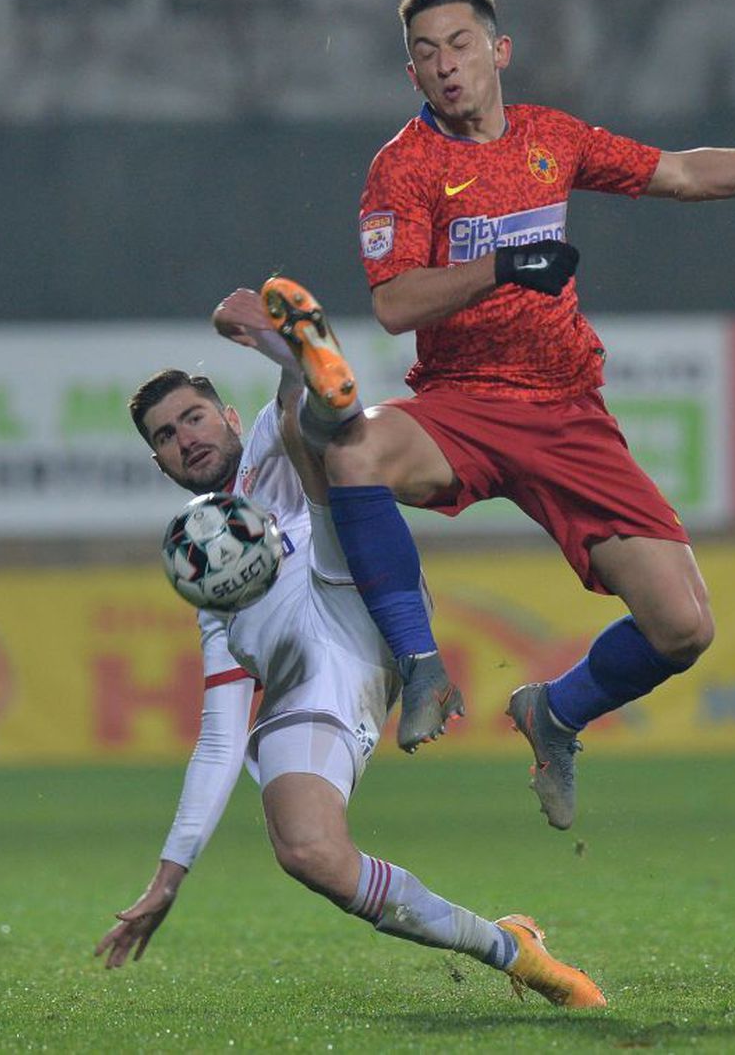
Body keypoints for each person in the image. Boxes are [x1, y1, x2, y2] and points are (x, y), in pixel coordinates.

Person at [276, 0, 735, 831]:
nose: (445, 65)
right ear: (411, 73)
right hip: (463, 405)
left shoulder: (551, 138)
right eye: (425, 53)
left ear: (498, 51)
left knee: (682, 628)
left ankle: (554, 712)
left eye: (460, 44)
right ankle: (419, 664)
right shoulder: (403, 166)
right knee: (353, 450)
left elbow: (681, 173)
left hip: (566, 413)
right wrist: (506, 265)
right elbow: (397, 303)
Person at [92, 300, 605, 1010]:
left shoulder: (269, 440)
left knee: (317, 438)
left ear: (230, 420)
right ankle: (514, 950)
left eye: (194, 418)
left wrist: (282, 351)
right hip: (322, 686)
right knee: (309, 855)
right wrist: (167, 878)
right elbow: (217, 740)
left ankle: (308, 354)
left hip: (363, 591)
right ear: (159, 461)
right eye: (167, 435)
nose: (185, 438)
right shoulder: (206, 579)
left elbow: (287, 410)